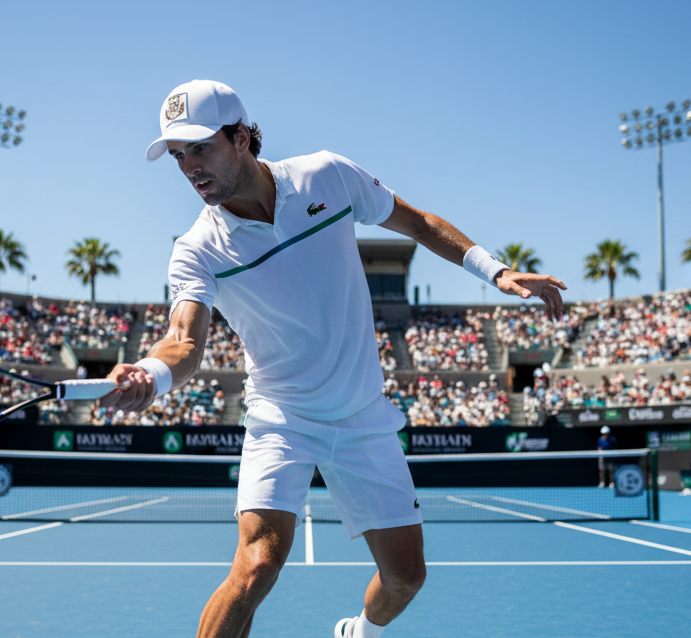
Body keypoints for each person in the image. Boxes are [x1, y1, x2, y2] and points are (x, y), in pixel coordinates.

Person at [100, 80, 566, 638]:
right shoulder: (197, 248)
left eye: (200, 147)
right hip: (281, 418)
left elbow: (415, 222)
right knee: (255, 568)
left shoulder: (326, 176)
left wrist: (498, 271)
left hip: (363, 416)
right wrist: (148, 372)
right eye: (178, 155)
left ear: (243, 136)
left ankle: (359, 632)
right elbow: (183, 341)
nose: (189, 167)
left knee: (405, 579)